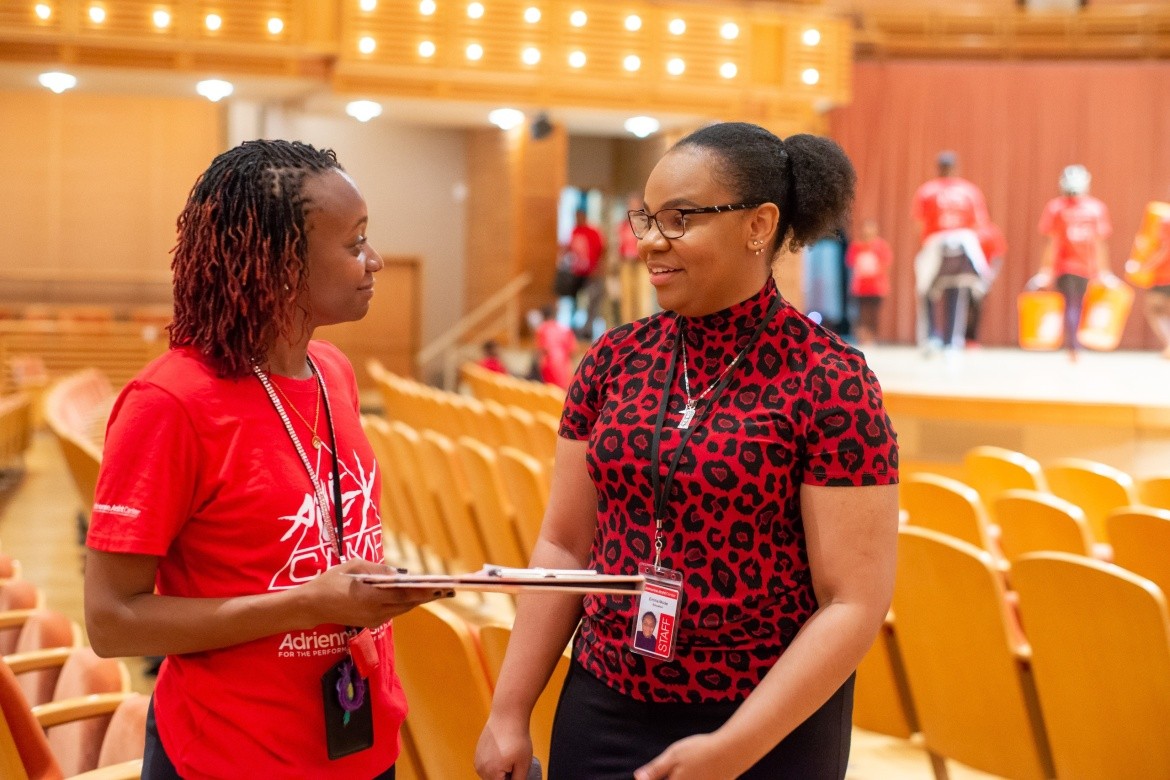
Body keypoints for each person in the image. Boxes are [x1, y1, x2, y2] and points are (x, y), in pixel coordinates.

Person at [475, 122, 899, 780]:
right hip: (605, 701)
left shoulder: (832, 381)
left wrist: (732, 748)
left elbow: (853, 602)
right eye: (646, 218)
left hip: (764, 726)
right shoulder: (615, 358)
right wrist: (509, 709)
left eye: (679, 220)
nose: (649, 241)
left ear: (759, 225)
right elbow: (563, 544)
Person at [83, 140, 448, 779]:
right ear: (282, 263)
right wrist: (308, 605)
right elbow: (112, 622)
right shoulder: (170, 402)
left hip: (357, 744)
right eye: (355, 242)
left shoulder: (332, 372)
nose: (377, 261)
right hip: (231, 756)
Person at [911, 151, 991, 350]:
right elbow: (979, 224)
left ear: (938, 168)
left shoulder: (927, 191)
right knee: (958, 289)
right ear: (955, 168)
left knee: (926, 288)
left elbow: (919, 225)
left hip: (936, 244)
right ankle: (950, 341)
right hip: (964, 246)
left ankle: (930, 337)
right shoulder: (969, 191)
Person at [1034, 164, 1114, 360]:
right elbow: (1099, 244)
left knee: (1072, 304)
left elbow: (1051, 243)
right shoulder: (1096, 208)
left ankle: (1074, 346)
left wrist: (1045, 270)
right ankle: (1075, 345)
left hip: (1066, 265)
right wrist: (1103, 271)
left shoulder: (1056, 207)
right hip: (1083, 266)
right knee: (1076, 303)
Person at [845, 219, 892, 346]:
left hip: (876, 287)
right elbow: (850, 262)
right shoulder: (856, 246)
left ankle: (872, 337)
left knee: (873, 314)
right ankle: (863, 337)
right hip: (860, 287)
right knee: (862, 314)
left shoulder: (881, 246)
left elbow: (886, 263)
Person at [567, 209, 607, 337]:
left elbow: (602, 250)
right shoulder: (574, 231)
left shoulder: (592, 232)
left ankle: (588, 329)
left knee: (592, 301)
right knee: (575, 301)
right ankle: (575, 327)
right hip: (577, 273)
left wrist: (598, 267)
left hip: (591, 273)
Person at [529, 306, 577, 390]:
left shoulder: (541, 328)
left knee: (550, 396)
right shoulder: (565, 329)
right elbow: (573, 351)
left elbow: (540, 351)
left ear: (543, 316)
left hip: (548, 366)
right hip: (564, 366)